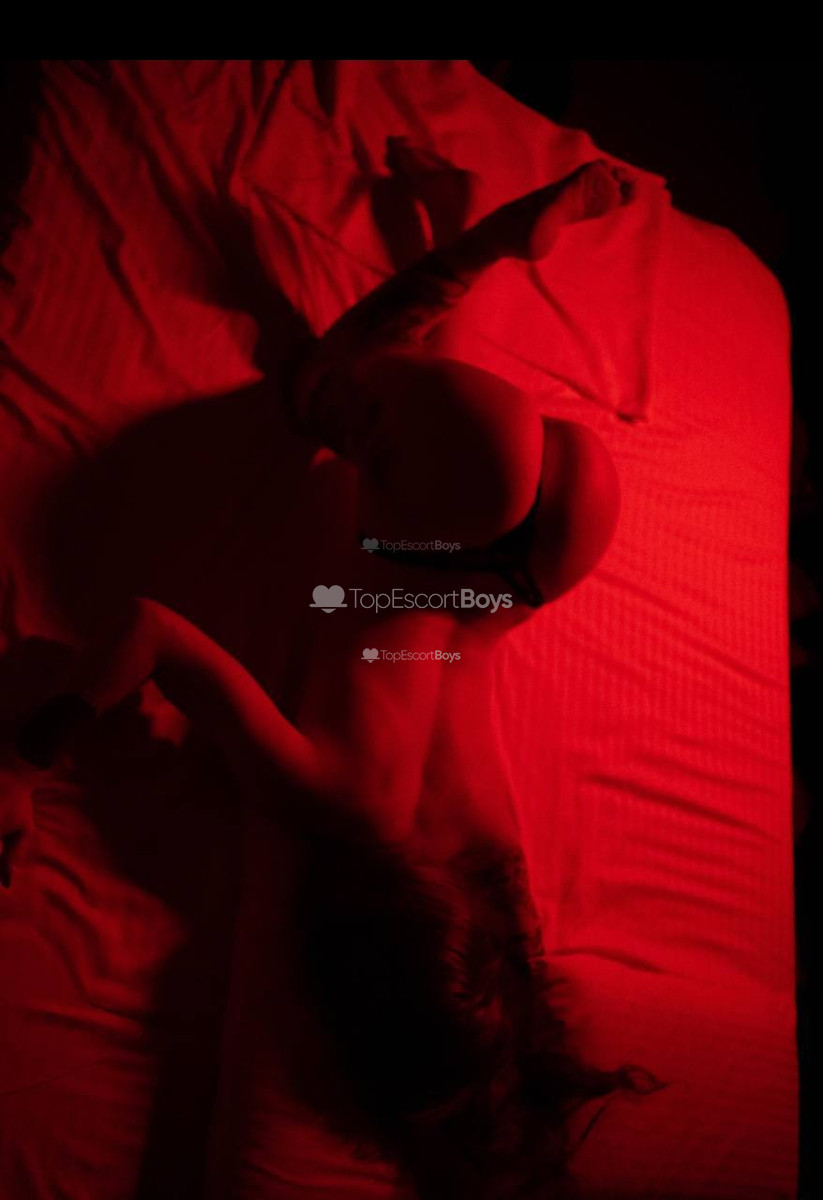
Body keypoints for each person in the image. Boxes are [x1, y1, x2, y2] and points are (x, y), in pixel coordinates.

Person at [1, 161, 666, 1199]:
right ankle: (487, 242)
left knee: (423, 474)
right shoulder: (326, 805)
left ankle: (481, 252)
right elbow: (149, 630)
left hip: (545, 554)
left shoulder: (498, 874)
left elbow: (494, 1021)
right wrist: (22, 766)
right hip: (454, 499)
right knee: (326, 383)